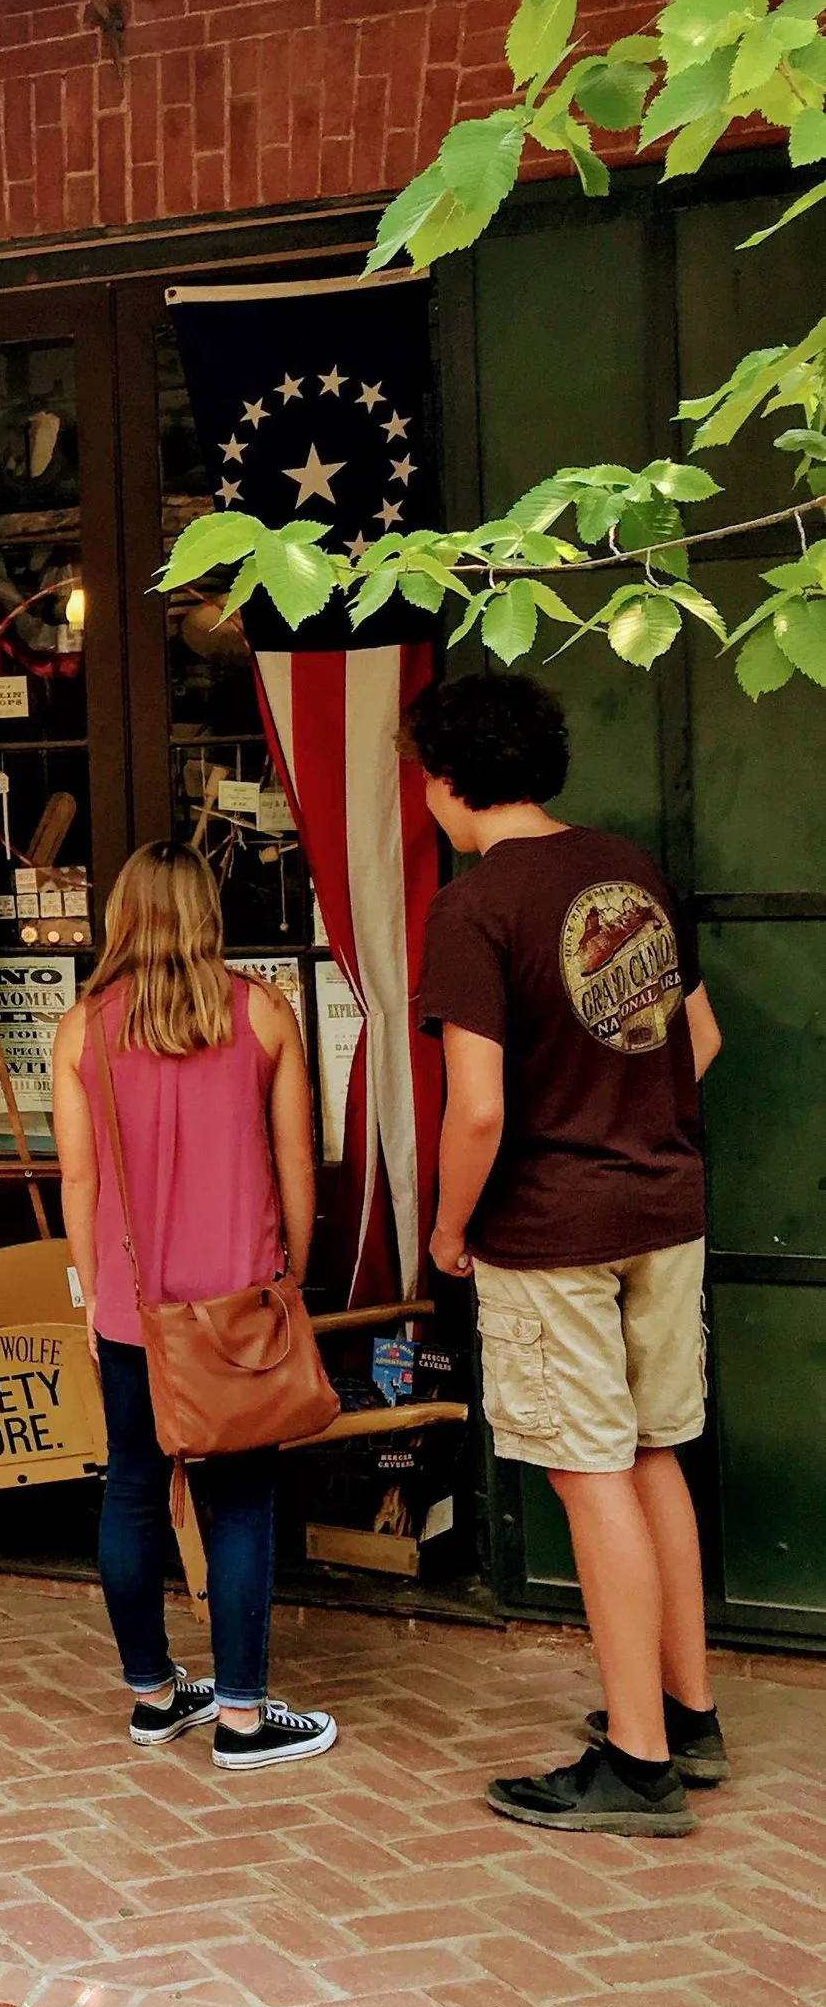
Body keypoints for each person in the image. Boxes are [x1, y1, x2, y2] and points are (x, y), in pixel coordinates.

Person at [407, 672, 725, 1837]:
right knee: (654, 1455)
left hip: (551, 1228)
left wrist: (448, 1227)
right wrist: (629, 1123)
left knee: (591, 1476)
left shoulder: (473, 904)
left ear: (443, 782)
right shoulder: (628, 869)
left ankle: (635, 1762)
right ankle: (687, 1716)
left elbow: (477, 1109)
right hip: (662, 1207)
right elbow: (700, 1034)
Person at [52, 841, 335, 1770]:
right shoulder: (262, 1012)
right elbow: (297, 1161)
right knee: (240, 1497)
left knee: (131, 1488)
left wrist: (92, 1296)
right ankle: (244, 1719)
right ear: (208, 910)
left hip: (133, 1307)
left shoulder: (81, 1030)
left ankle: (152, 1698)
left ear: (120, 914)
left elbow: (80, 1180)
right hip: (239, 1306)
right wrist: (291, 1268)